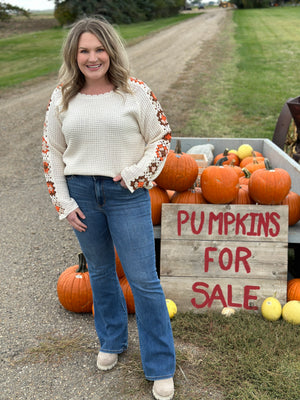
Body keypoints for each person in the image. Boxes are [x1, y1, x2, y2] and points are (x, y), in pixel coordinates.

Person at [42, 17, 176, 400]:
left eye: (99, 49)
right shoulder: (62, 96)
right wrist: (63, 203)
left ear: (111, 51)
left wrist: (137, 173)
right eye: (84, 50)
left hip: (126, 193)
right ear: (74, 55)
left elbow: (161, 137)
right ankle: (112, 341)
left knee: (143, 281)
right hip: (82, 195)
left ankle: (160, 364)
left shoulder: (135, 92)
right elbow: (51, 150)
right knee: (100, 273)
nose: (92, 57)